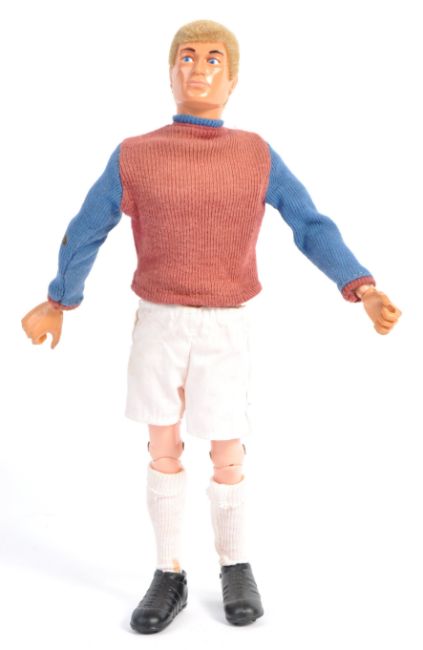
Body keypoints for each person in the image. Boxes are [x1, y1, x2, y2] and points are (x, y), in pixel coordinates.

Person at [21, 19, 401, 634]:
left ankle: (235, 563)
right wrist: (59, 299)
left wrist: (360, 285)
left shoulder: (254, 154)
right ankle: (168, 571)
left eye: (214, 59)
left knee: (226, 448)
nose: (199, 68)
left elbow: (309, 223)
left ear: (234, 78)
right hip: (160, 321)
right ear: (170, 71)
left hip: (225, 325)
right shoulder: (136, 154)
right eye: (188, 57)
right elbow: (88, 227)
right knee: (163, 446)